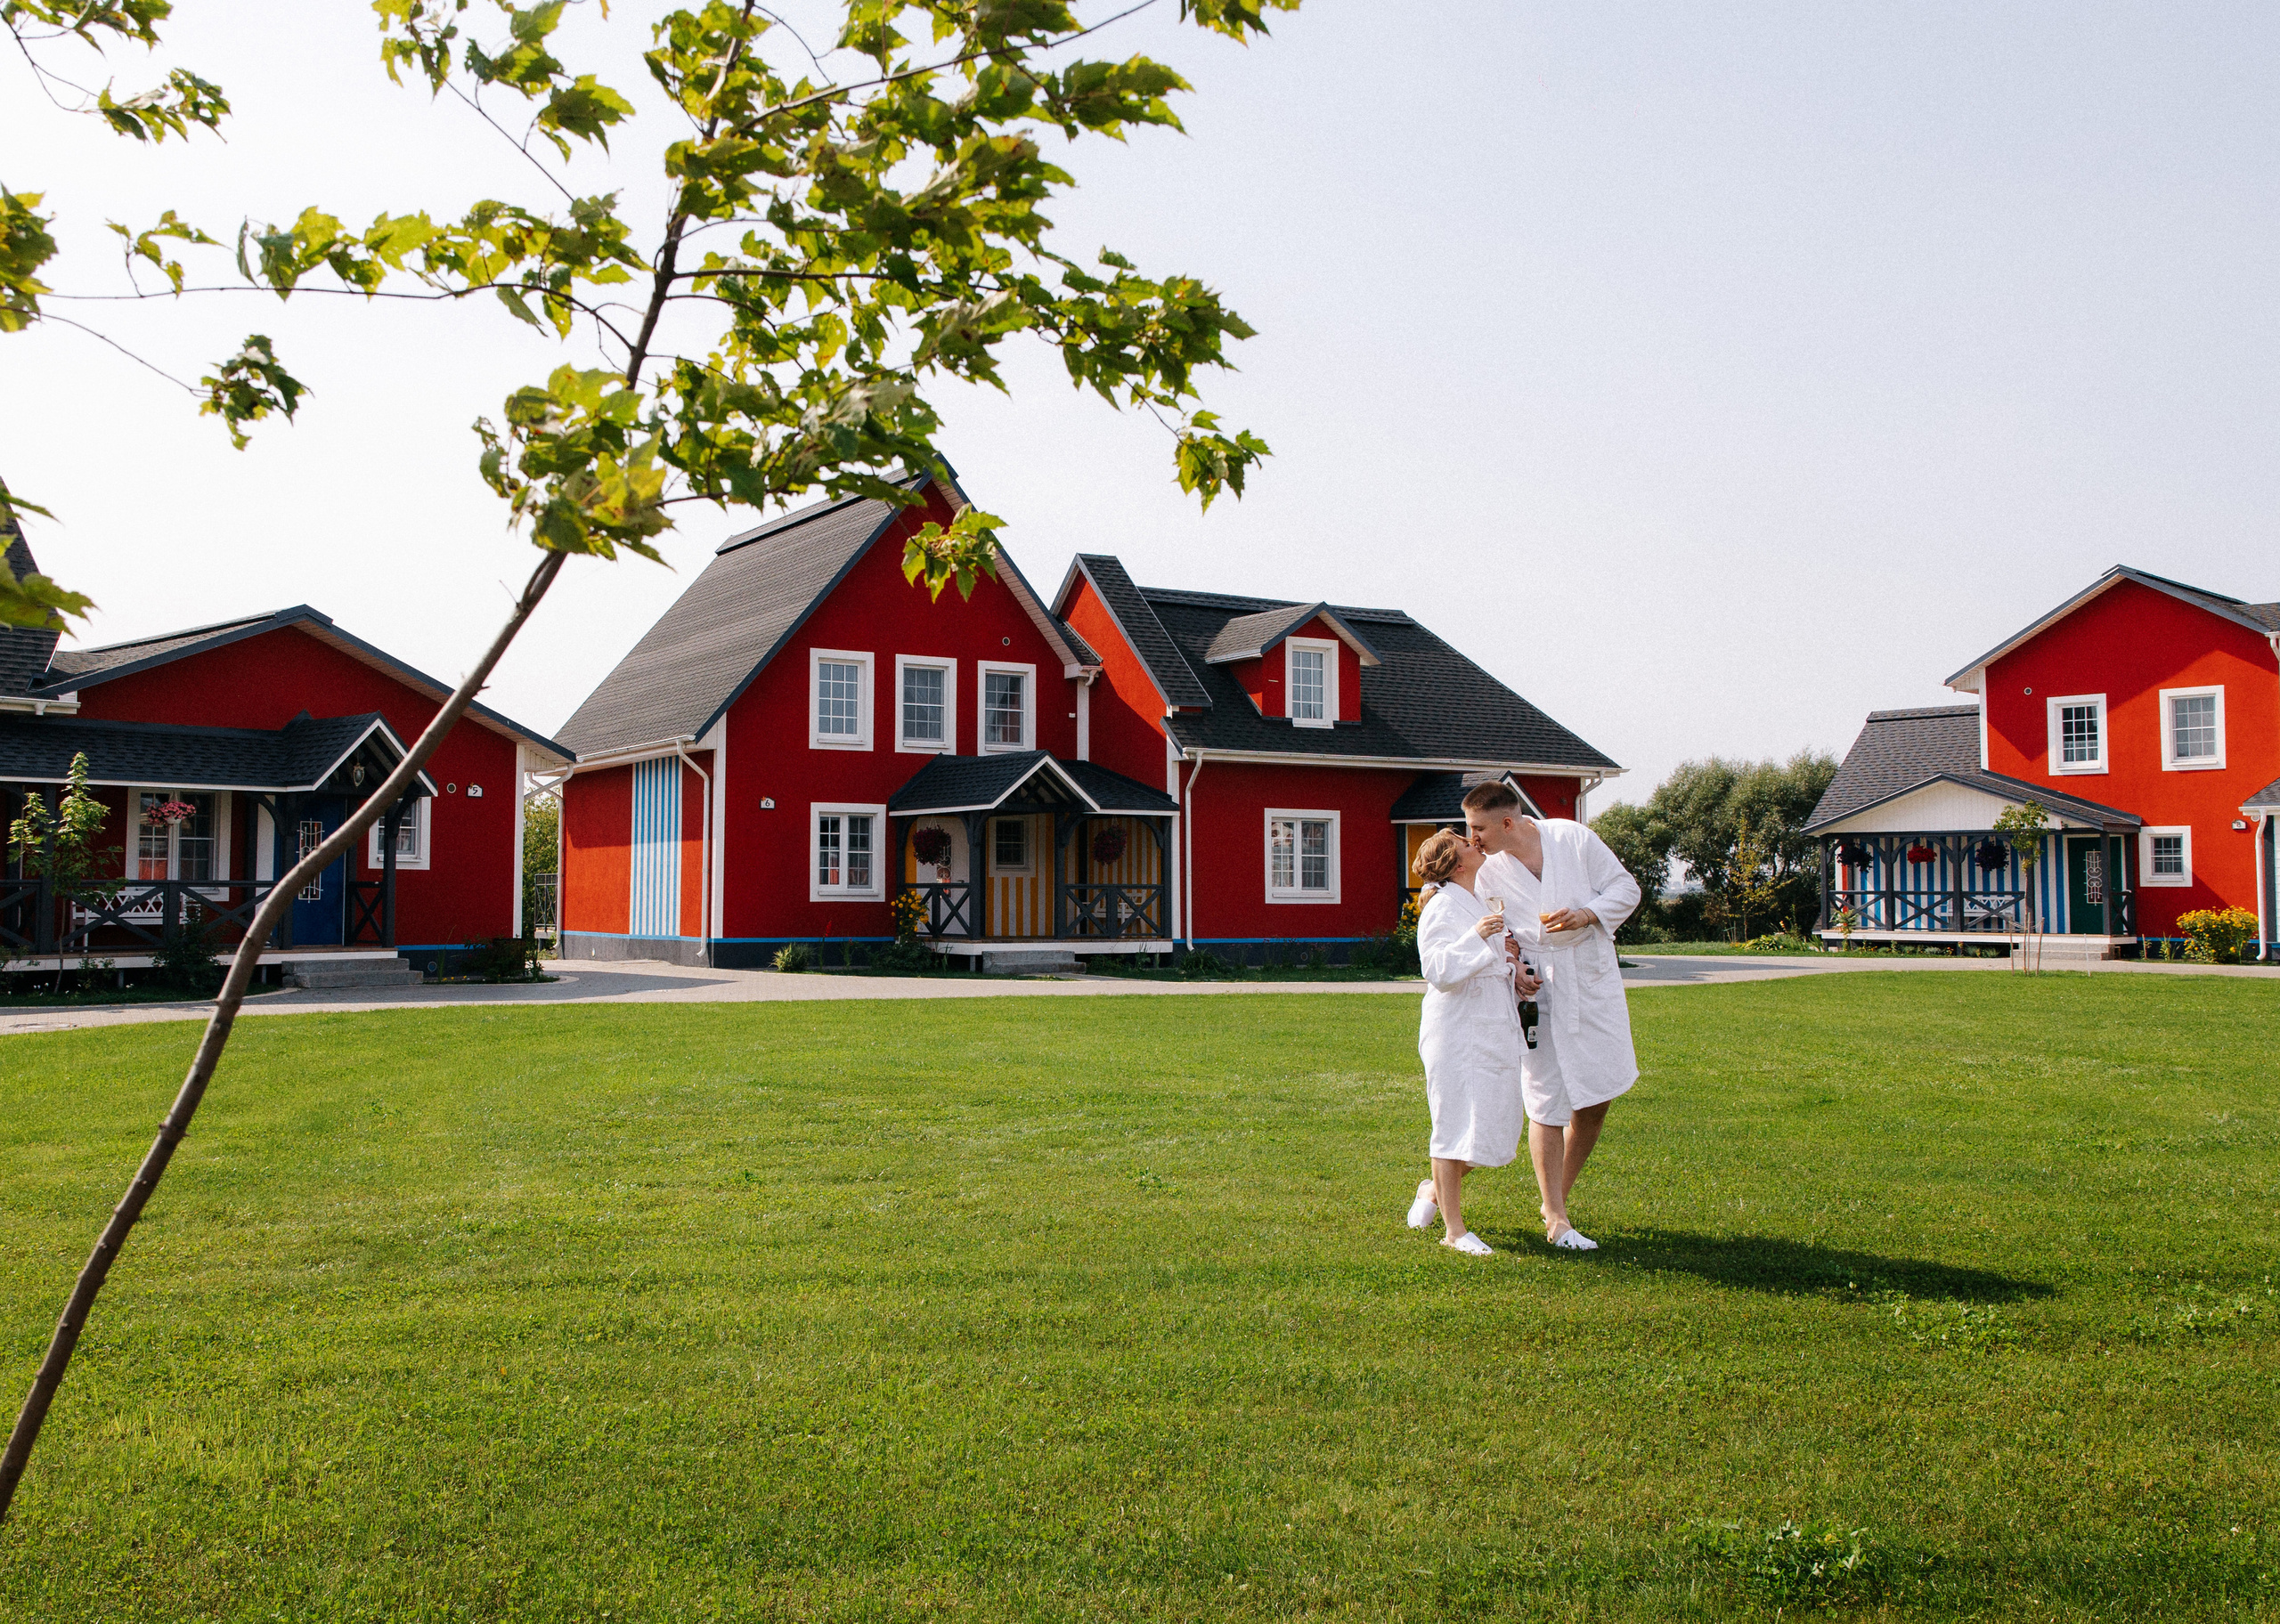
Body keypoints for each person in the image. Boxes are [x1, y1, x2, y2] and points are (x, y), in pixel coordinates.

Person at [1463, 781, 1641, 1252]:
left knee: (1597, 1096)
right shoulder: (1487, 871)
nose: (1472, 837)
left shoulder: (1572, 838)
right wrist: (1516, 967)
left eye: (1478, 828)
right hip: (1539, 988)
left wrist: (1587, 914)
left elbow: (1626, 888)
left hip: (1591, 978)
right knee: (1545, 1099)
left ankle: (1552, 1200)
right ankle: (1557, 1219)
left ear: (1507, 822)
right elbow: (1498, 932)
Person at [1403, 827, 1528, 1256]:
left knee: (1495, 1124)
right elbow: (1437, 969)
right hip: (1455, 1030)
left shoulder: (1479, 898)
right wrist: (1476, 935)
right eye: (1462, 841)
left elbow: (1494, 958)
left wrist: (1515, 968)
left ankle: (1432, 1190)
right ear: (1455, 864)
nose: (1472, 842)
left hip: (1490, 1023)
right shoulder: (1442, 906)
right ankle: (1454, 1231)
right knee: (1454, 1123)